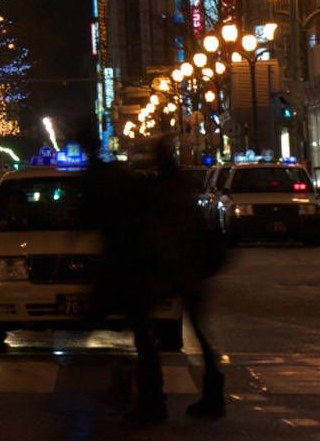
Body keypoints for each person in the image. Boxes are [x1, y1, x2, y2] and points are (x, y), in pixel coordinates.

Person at [90, 141, 226, 424]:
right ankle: (213, 394)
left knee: (143, 330)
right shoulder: (183, 187)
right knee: (199, 333)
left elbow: (149, 226)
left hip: (166, 268)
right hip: (190, 268)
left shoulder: (158, 190)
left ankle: (152, 399)